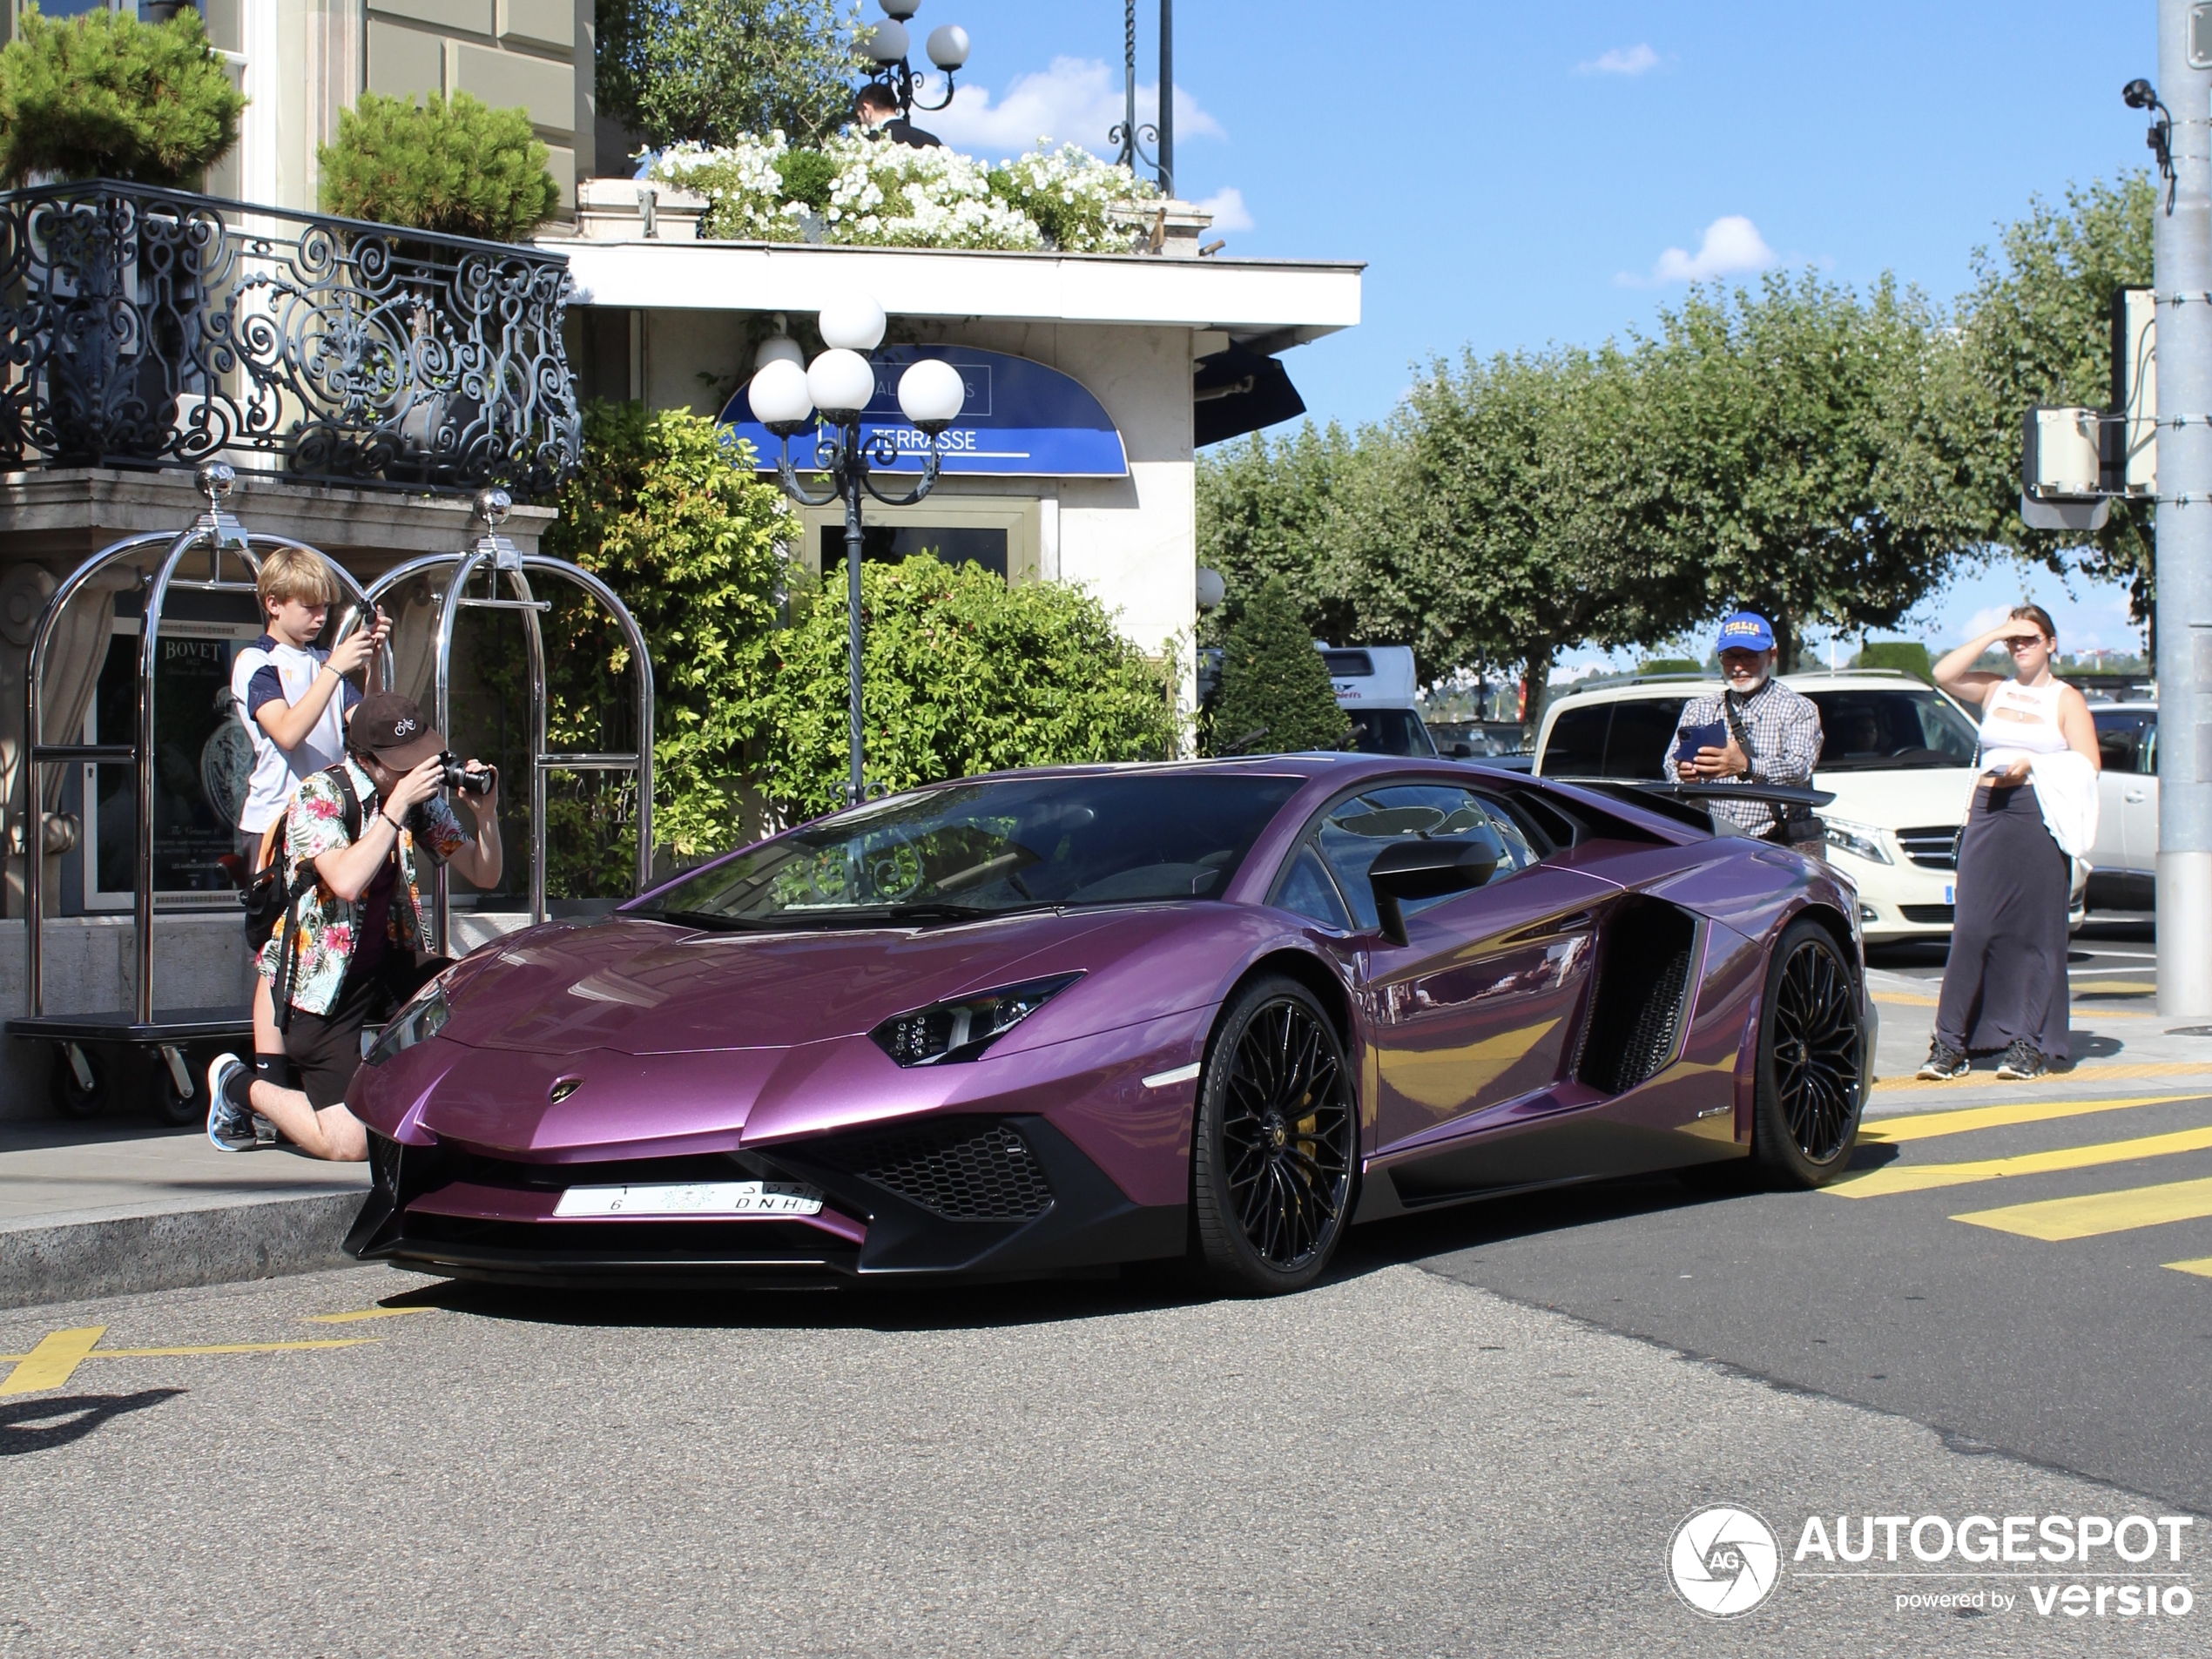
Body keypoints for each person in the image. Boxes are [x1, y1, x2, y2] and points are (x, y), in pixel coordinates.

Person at [205, 692, 501, 1161]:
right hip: (324, 987)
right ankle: (238, 1085)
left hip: (386, 963)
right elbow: (345, 880)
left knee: (478, 989)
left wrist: (485, 815)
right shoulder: (319, 795)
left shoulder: (413, 800)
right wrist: (395, 808)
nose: (413, 770)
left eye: (418, 758)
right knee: (350, 1145)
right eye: (399, 764)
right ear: (364, 759)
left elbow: (484, 874)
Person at [220, 550, 389, 1148]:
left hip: (327, 824)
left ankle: (278, 1089)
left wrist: (363, 662)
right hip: (274, 826)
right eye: (308, 605)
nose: (320, 616)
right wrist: (334, 669)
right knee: (273, 957)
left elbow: (359, 729)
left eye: (325, 606)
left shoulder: (324, 662)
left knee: (307, 951)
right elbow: (287, 730)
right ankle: (261, 1088)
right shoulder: (255, 662)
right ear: (273, 604)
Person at [1918, 604, 2100, 1082]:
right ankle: (1950, 1043)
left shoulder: (2065, 699)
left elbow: (2088, 764)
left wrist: (2032, 765)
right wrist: (1998, 629)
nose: (2021, 648)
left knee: (2038, 935)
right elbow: (1941, 672)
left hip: (2036, 815)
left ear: (2052, 644)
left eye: (2031, 639)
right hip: (1987, 811)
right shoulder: (1995, 690)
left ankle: (2028, 1044)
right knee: (1972, 928)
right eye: (2014, 642)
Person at [1659, 611, 1824, 839]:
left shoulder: (1799, 709)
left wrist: (1746, 766)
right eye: (1730, 656)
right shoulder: (1699, 709)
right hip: (1716, 844)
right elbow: (1671, 766)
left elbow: (1800, 770)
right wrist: (1687, 777)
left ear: (1771, 655)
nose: (1738, 667)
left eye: (1749, 656)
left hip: (1778, 846)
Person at [853, 81, 941, 147]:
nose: (862, 124)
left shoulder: (869, 144)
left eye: (860, 117)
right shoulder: (931, 141)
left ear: (867, 109)